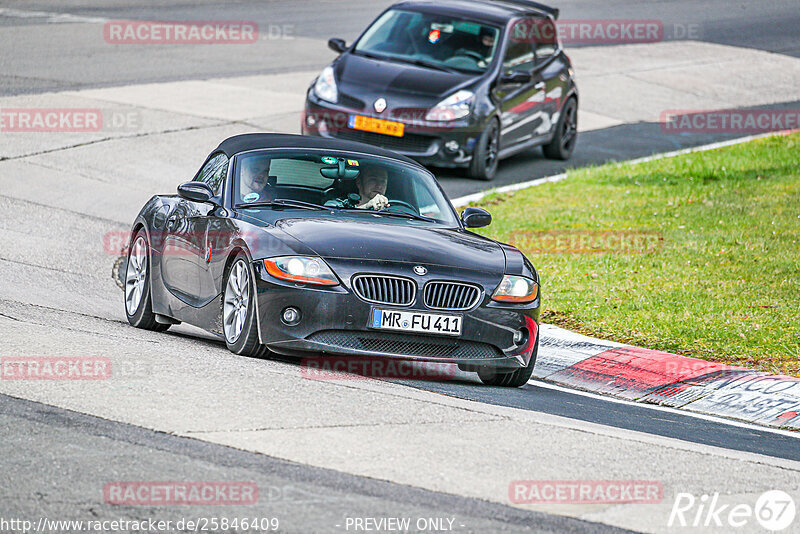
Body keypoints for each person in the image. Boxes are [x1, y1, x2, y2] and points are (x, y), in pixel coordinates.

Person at [326, 164, 390, 210]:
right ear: (359, 182)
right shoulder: (337, 205)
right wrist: (365, 207)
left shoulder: (393, 212)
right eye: (373, 180)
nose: (379, 186)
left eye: (383, 181)